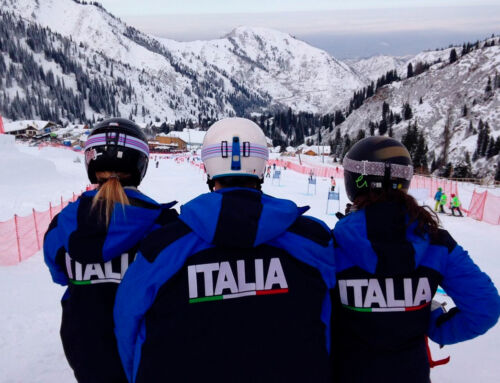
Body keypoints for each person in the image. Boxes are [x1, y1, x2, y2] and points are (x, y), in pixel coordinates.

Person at [114, 117, 336, 383]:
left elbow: (127, 320)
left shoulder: (164, 246)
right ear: (262, 166)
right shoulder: (313, 240)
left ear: (208, 169)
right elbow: (333, 317)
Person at [331, 136, 500, 383]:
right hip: (411, 373)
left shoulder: (332, 243)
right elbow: (485, 307)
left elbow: (310, 309)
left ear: (354, 181)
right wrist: (432, 322)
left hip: (348, 371)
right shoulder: (435, 242)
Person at [43, 118, 177, 383]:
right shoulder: (164, 225)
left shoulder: (63, 225)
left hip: (86, 353)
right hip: (146, 355)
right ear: (140, 164)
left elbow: (60, 275)